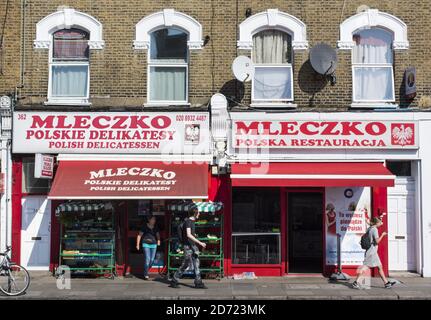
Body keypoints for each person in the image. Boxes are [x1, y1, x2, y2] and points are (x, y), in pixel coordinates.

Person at [352, 217, 396, 289]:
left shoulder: (370, 228)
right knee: (365, 267)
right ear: (376, 223)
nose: (381, 224)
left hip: (372, 251)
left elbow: (380, 223)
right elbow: (377, 241)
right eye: (379, 222)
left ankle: (386, 283)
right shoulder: (374, 230)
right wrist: (382, 235)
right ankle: (356, 282)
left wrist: (381, 218)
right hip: (371, 252)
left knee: (379, 267)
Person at [170, 207, 207, 289]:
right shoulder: (188, 222)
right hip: (188, 247)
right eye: (198, 213)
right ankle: (174, 280)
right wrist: (200, 242)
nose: (199, 214)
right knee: (185, 264)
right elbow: (188, 235)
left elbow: (190, 235)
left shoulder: (191, 222)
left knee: (196, 263)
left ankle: (198, 282)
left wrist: (195, 238)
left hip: (192, 246)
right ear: (195, 213)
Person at [136, 215, 160, 280]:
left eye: (154, 219)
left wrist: (158, 240)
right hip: (145, 244)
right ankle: (146, 273)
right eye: (153, 219)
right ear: (149, 220)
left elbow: (158, 235)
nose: (154, 221)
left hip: (154, 244)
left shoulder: (155, 227)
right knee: (147, 259)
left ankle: (146, 269)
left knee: (152, 260)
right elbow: (139, 235)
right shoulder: (144, 226)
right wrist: (137, 244)